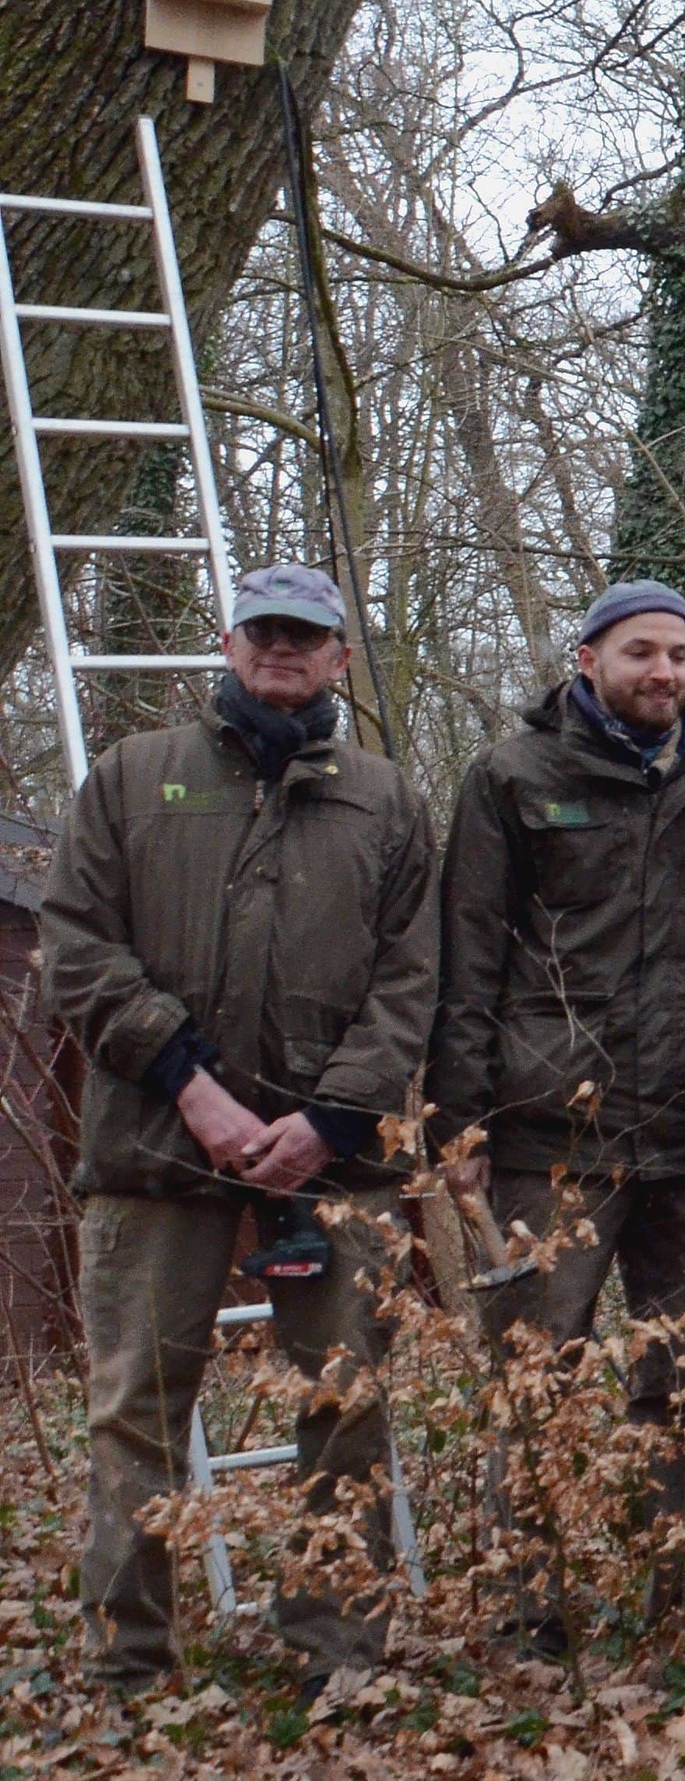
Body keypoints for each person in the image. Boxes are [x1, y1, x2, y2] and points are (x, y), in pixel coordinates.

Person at [39, 565, 436, 1694]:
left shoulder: (387, 801)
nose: (280, 649)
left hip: (335, 1161)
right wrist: (191, 1082)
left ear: (339, 658)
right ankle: (128, 1663)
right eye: (262, 629)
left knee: (346, 1401)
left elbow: (415, 980)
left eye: (304, 634)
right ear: (227, 639)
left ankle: (338, 1649)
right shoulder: (131, 777)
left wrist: (330, 1115)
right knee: (135, 1411)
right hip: (156, 1146)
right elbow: (75, 945)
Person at [432, 579, 685, 1666]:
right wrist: (461, 1121)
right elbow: (468, 957)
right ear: (586, 659)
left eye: (678, 654)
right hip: (552, 1142)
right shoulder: (513, 777)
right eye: (640, 652)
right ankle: (526, 1618)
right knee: (536, 1384)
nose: (664, 673)